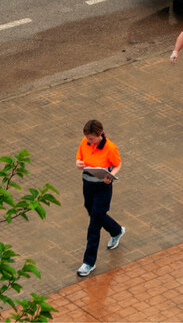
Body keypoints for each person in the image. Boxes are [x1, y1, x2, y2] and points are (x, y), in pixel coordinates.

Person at [74, 119, 125, 277]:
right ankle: (116, 230)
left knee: (93, 226)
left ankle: (89, 262)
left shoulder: (110, 147)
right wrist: (78, 163)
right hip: (88, 185)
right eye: (88, 139)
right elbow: (79, 158)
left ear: (100, 134)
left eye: (92, 139)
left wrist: (111, 175)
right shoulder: (85, 142)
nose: (89, 142)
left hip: (103, 188)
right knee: (93, 212)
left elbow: (118, 164)